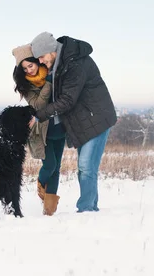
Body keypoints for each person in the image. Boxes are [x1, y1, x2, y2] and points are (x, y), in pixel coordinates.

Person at [29, 32, 117, 213]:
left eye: (42, 57)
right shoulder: (61, 62)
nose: (42, 62)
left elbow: (67, 100)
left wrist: (39, 115)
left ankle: (86, 209)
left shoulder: (75, 63)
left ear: (51, 50)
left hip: (97, 118)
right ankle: (90, 207)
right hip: (84, 121)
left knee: (86, 166)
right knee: (85, 167)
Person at [12, 44, 66, 216]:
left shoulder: (52, 72)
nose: (29, 70)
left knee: (56, 168)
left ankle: (49, 209)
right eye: (25, 68)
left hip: (60, 128)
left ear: (37, 62)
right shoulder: (26, 85)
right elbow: (38, 104)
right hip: (41, 132)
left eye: (31, 65)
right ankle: (41, 183)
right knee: (49, 165)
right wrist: (49, 83)